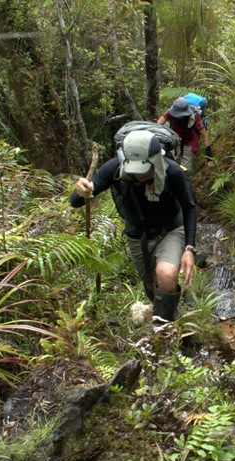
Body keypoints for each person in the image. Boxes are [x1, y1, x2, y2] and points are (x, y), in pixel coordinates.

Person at [70, 130, 197, 322]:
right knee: (150, 284)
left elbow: (189, 208)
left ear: (155, 160)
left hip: (170, 228)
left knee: (166, 272)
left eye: (143, 169)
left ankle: (163, 329)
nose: (138, 175)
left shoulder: (172, 171)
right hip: (138, 234)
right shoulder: (115, 168)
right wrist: (82, 190)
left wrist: (189, 248)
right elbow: (75, 202)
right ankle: (164, 314)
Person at [156, 96, 213, 173]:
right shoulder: (170, 112)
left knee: (185, 171)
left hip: (189, 143)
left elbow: (205, 135)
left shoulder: (195, 116)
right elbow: (158, 125)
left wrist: (209, 157)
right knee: (169, 166)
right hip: (174, 141)